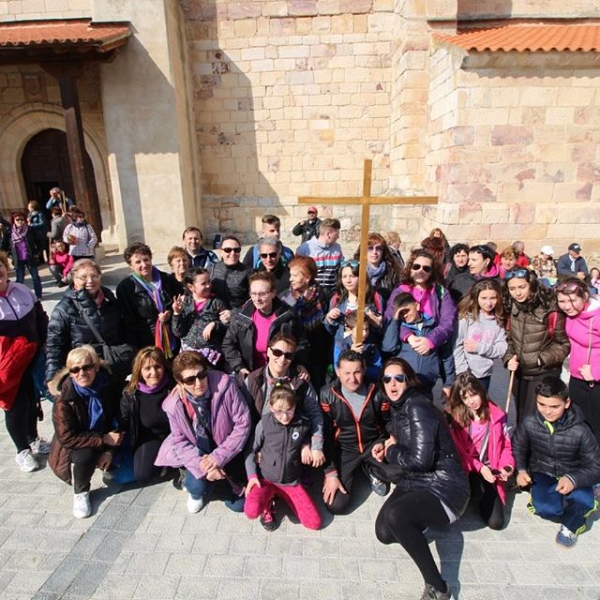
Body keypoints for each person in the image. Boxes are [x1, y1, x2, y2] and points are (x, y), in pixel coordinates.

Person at [372, 358, 469, 600]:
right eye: (387, 379)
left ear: (409, 380)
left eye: (398, 378)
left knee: (397, 517)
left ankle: (439, 586)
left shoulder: (417, 407)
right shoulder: (399, 407)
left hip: (445, 487)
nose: (392, 384)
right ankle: (416, 521)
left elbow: (421, 460)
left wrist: (392, 452)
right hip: (416, 481)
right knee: (384, 532)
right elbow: (405, 444)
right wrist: (386, 446)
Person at [155, 351, 252, 513]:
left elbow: (243, 423)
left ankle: (219, 481)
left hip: (226, 447)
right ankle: (197, 490)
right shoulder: (174, 404)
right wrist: (206, 467)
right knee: (196, 486)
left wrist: (218, 457)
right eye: (190, 379)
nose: (198, 382)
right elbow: (179, 441)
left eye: (201, 375)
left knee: (238, 505)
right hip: (198, 453)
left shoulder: (224, 385)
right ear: (180, 382)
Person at [512, 376, 600, 548]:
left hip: (574, 473)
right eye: (541, 404)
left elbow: (596, 466)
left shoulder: (581, 430)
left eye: (554, 406)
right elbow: (518, 448)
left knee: (582, 502)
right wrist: (521, 470)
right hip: (543, 472)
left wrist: (573, 479)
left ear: (567, 403)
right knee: (546, 510)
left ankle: (574, 523)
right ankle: (552, 500)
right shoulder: (529, 422)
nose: (547, 411)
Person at [48, 346, 124, 518]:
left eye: (86, 367)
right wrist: (104, 439)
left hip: (104, 435)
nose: (81, 373)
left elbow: (118, 416)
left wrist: (109, 449)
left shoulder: (107, 385)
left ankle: (104, 459)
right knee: (86, 456)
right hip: (75, 444)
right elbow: (68, 438)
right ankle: (80, 492)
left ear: (96, 367)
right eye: (75, 369)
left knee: (120, 468)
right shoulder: (64, 399)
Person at [320, 350, 391, 515]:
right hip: (345, 449)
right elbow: (324, 434)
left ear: (364, 369)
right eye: (347, 373)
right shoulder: (326, 395)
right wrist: (330, 473)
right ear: (337, 372)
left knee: (398, 474)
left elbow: (389, 421)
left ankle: (370, 468)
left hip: (373, 445)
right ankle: (366, 469)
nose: (352, 379)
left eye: (357, 372)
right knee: (336, 505)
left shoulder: (378, 392)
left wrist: (387, 441)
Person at [244, 383, 322, 531]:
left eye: (289, 410)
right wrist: (252, 476)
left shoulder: (303, 423)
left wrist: (306, 445)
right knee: (251, 510)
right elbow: (250, 450)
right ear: (272, 408)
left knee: (314, 522)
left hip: (290, 481)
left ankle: (283, 497)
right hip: (266, 479)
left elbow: (307, 436)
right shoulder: (264, 423)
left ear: (295, 406)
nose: (285, 416)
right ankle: (267, 503)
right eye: (279, 411)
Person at [46, 258, 136, 383]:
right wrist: (53, 379)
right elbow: (55, 347)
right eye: (83, 277)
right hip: (85, 374)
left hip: (113, 370)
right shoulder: (64, 309)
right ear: (74, 279)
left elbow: (126, 332)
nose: (90, 281)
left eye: (94, 276)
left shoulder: (111, 301)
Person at [243, 332, 324, 467]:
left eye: (288, 355)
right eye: (277, 352)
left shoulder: (300, 382)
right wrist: (256, 448)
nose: (282, 359)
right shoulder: (253, 380)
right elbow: (244, 419)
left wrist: (316, 446)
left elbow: (315, 414)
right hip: (262, 441)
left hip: (293, 442)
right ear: (268, 351)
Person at [0, 250, 49, 473]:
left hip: (33, 355)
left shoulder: (21, 289)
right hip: (9, 365)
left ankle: (34, 438)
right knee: (14, 406)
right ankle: (22, 450)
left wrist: (46, 340)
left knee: (32, 401)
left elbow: (40, 316)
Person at [447, 373, 514, 530]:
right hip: (466, 468)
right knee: (477, 490)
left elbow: (506, 446)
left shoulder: (497, 416)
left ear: (481, 391)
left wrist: (507, 466)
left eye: (474, 394)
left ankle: (479, 497)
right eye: (465, 398)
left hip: (490, 467)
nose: (471, 401)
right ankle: (471, 495)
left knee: (496, 523)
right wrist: (480, 467)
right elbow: (458, 451)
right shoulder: (455, 419)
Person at [502, 269, 570, 423]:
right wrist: (508, 359)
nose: (517, 293)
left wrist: (540, 359)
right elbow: (509, 339)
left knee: (533, 420)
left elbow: (563, 344)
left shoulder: (550, 308)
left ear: (531, 285)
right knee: (520, 416)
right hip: (519, 372)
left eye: (522, 287)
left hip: (543, 372)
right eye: (512, 289)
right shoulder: (511, 307)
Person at [385, 250, 457, 390]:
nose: (420, 271)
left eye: (426, 268)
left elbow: (447, 322)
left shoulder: (440, 292)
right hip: (405, 353)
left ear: (432, 272)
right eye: (416, 266)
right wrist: (408, 336)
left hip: (429, 354)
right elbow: (391, 318)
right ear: (410, 268)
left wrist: (430, 340)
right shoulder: (400, 291)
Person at [222, 271, 308, 378]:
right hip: (250, 374)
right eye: (253, 294)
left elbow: (301, 344)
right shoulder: (241, 316)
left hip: (281, 373)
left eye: (262, 294)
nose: (257, 298)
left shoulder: (288, 316)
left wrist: (300, 364)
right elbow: (228, 344)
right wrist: (239, 366)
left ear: (273, 293)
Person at [382, 292, 455, 398]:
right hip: (403, 384)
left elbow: (446, 356)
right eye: (401, 313)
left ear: (416, 305)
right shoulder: (398, 329)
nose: (405, 315)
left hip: (426, 384)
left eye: (406, 311)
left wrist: (448, 384)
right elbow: (389, 347)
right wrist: (395, 320)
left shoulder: (433, 327)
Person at [555, 277, 600, 443]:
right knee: (579, 425)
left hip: (595, 381)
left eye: (573, 300)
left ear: (585, 296)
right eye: (562, 301)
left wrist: (596, 371)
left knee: (596, 429)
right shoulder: (570, 314)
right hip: (577, 378)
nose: (567, 305)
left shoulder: (597, 317)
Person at [120, 347, 174, 483]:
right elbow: (124, 420)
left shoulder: (174, 384)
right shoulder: (131, 393)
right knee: (142, 475)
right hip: (151, 437)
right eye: (147, 368)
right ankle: (163, 460)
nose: (153, 372)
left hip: (176, 435)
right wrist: (109, 450)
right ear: (139, 371)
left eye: (157, 367)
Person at [116, 242, 179, 354]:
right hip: (146, 342)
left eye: (146, 259)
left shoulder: (167, 279)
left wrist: (171, 312)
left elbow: (179, 300)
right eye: (138, 262)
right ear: (130, 266)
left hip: (172, 336)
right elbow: (129, 322)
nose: (144, 264)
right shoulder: (125, 288)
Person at [279, 255, 331, 389]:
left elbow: (324, 323)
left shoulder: (322, 295)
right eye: (290, 275)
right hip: (296, 351)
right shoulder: (285, 297)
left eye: (295, 276)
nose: (290, 279)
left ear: (307, 278)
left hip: (318, 351)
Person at [453, 279, 507, 391]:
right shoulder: (467, 318)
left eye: (493, 298)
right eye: (484, 298)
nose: (489, 303)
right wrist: (463, 373)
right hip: (464, 374)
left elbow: (502, 349)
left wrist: (479, 347)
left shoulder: (499, 320)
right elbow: (457, 346)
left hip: (484, 374)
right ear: (476, 298)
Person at [172, 267, 229, 366]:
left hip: (210, 357)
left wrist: (215, 324)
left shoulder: (216, 303)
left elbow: (228, 327)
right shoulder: (185, 302)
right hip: (188, 353)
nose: (208, 286)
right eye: (203, 283)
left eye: (209, 282)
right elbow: (178, 332)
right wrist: (177, 313)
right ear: (191, 287)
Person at [324, 259, 384, 347]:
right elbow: (331, 331)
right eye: (344, 277)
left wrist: (376, 323)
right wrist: (329, 318)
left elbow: (382, 330)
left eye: (352, 276)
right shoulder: (336, 299)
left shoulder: (374, 298)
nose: (348, 280)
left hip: (368, 349)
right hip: (343, 349)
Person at [296, 217, 344, 298]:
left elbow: (341, 269)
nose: (338, 237)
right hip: (311, 296)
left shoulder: (337, 248)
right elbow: (296, 272)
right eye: (337, 234)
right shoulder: (304, 249)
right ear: (328, 234)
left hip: (332, 295)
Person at [334, 310, 382, 384]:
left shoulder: (372, 346)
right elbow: (338, 368)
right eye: (360, 330)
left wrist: (364, 370)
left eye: (367, 329)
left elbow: (378, 370)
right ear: (350, 329)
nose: (365, 333)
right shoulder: (340, 345)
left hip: (368, 383)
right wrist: (350, 354)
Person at [352, 232, 402, 298]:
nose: (374, 252)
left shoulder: (393, 272)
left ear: (383, 251)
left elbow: (398, 297)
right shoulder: (355, 271)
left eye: (378, 248)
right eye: (370, 248)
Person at [8, 211, 43, 299]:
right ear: (14, 220)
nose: (20, 221)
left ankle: (38, 295)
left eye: (22, 219)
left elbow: (40, 240)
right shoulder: (10, 232)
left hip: (30, 257)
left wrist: (38, 252)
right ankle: (20, 297)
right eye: (17, 219)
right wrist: (10, 254)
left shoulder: (30, 230)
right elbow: (4, 244)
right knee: (19, 279)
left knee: (35, 277)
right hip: (18, 259)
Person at [209, 234, 249, 309]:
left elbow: (252, 300)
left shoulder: (248, 272)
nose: (233, 253)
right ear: (221, 252)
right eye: (228, 250)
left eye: (236, 250)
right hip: (213, 316)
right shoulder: (211, 269)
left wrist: (233, 313)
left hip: (238, 317)